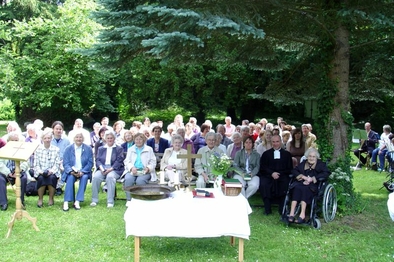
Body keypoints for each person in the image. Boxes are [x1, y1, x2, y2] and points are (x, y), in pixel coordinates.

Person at [287, 148, 331, 223]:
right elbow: (294, 170)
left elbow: (326, 173)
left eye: (313, 156)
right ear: (307, 157)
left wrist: (313, 178)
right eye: (310, 156)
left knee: (305, 189)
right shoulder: (304, 163)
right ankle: (291, 213)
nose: (311, 158)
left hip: (314, 185)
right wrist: (303, 177)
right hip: (302, 183)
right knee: (296, 188)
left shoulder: (321, 165)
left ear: (316, 157)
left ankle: (302, 214)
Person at [259, 134, 293, 215]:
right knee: (264, 184)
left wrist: (279, 174)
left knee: (285, 183)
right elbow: (263, 167)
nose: (275, 144)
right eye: (273, 142)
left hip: (283, 175)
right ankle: (267, 208)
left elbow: (289, 168)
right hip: (269, 175)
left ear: (281, 142)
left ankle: (282, 208)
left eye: (277, 141)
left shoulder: (287, 154)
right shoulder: (266, 154)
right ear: (271, 142)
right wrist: (272, 173)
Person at [90, 131, 125, 208]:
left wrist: (111, 169)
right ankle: (94, 200)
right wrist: (102, 169)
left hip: (115, 169)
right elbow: (97, 160)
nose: (109, 140)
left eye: (111, 138)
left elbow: (119, 161)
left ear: (114, 139)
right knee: (96, 177)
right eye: (108, 138)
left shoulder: (119, 148)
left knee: (110, 177)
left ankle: (110, 201)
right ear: (105, 139)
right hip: (103, 168)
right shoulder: (101, 148)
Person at [61, 132, 93, 211]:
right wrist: (71, 171)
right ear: (74, 139)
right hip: (72, 171)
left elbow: (90, 163)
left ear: (83, 139)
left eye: (80, 137)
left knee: (85, 177)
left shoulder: (88, 148)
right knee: (70, 178)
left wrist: (83, 171)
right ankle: (66, 201)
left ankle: (78, 201)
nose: (79, 139)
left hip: (84, 171)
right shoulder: (68, 149)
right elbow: (65, 163)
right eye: (77, 137)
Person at [123, 133, 157, 200]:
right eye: (136, 139)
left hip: (144, 171)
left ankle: (141, 199)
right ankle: (129, 200)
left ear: (144, 140)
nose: (138, 141)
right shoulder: (130, 149)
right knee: (128, 179)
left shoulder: (149, 149)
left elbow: (153, 162)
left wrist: (148, 168)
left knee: (140, 181)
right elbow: (127, 161)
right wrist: (131, 168)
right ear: (134, 140)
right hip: (133, 171)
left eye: (140, 139)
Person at [0, 135, 29, 210]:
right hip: (6, 172)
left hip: (19, 172)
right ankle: (3, 202)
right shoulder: (2, 150)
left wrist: (19, 170)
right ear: (8, 141)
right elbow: (0, 164)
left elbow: (26, 162)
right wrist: (8, 173)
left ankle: (21, 201)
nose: (15, 142)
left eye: (16, 140)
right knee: (0, 179)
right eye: (13, 140)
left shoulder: (22, 150)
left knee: (24, 178)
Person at [34, 128, 61, 208]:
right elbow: (36, 164)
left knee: (52, 178)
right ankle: (40, 199)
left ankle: (51, 198)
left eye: (49, 138)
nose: (47, 140)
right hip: (40, 171)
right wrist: (41, 172)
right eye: (45, 138)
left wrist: (51, 171)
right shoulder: (38, 149)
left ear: (51, 138)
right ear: (42, 139)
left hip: (52, 171)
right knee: (41, 178)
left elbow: (57, 164)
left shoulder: (56, 150)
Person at [51, 121, 71, 196]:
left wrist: (62, 162)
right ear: (53, 129)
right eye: (57, 129)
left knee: (65, 169)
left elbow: (69, 153)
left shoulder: (67, 141)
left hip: (63, 161)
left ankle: (59, 187)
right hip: (51, 161)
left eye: (60, 129)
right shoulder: (49, 139)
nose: (58, 130)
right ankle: (52, 187)